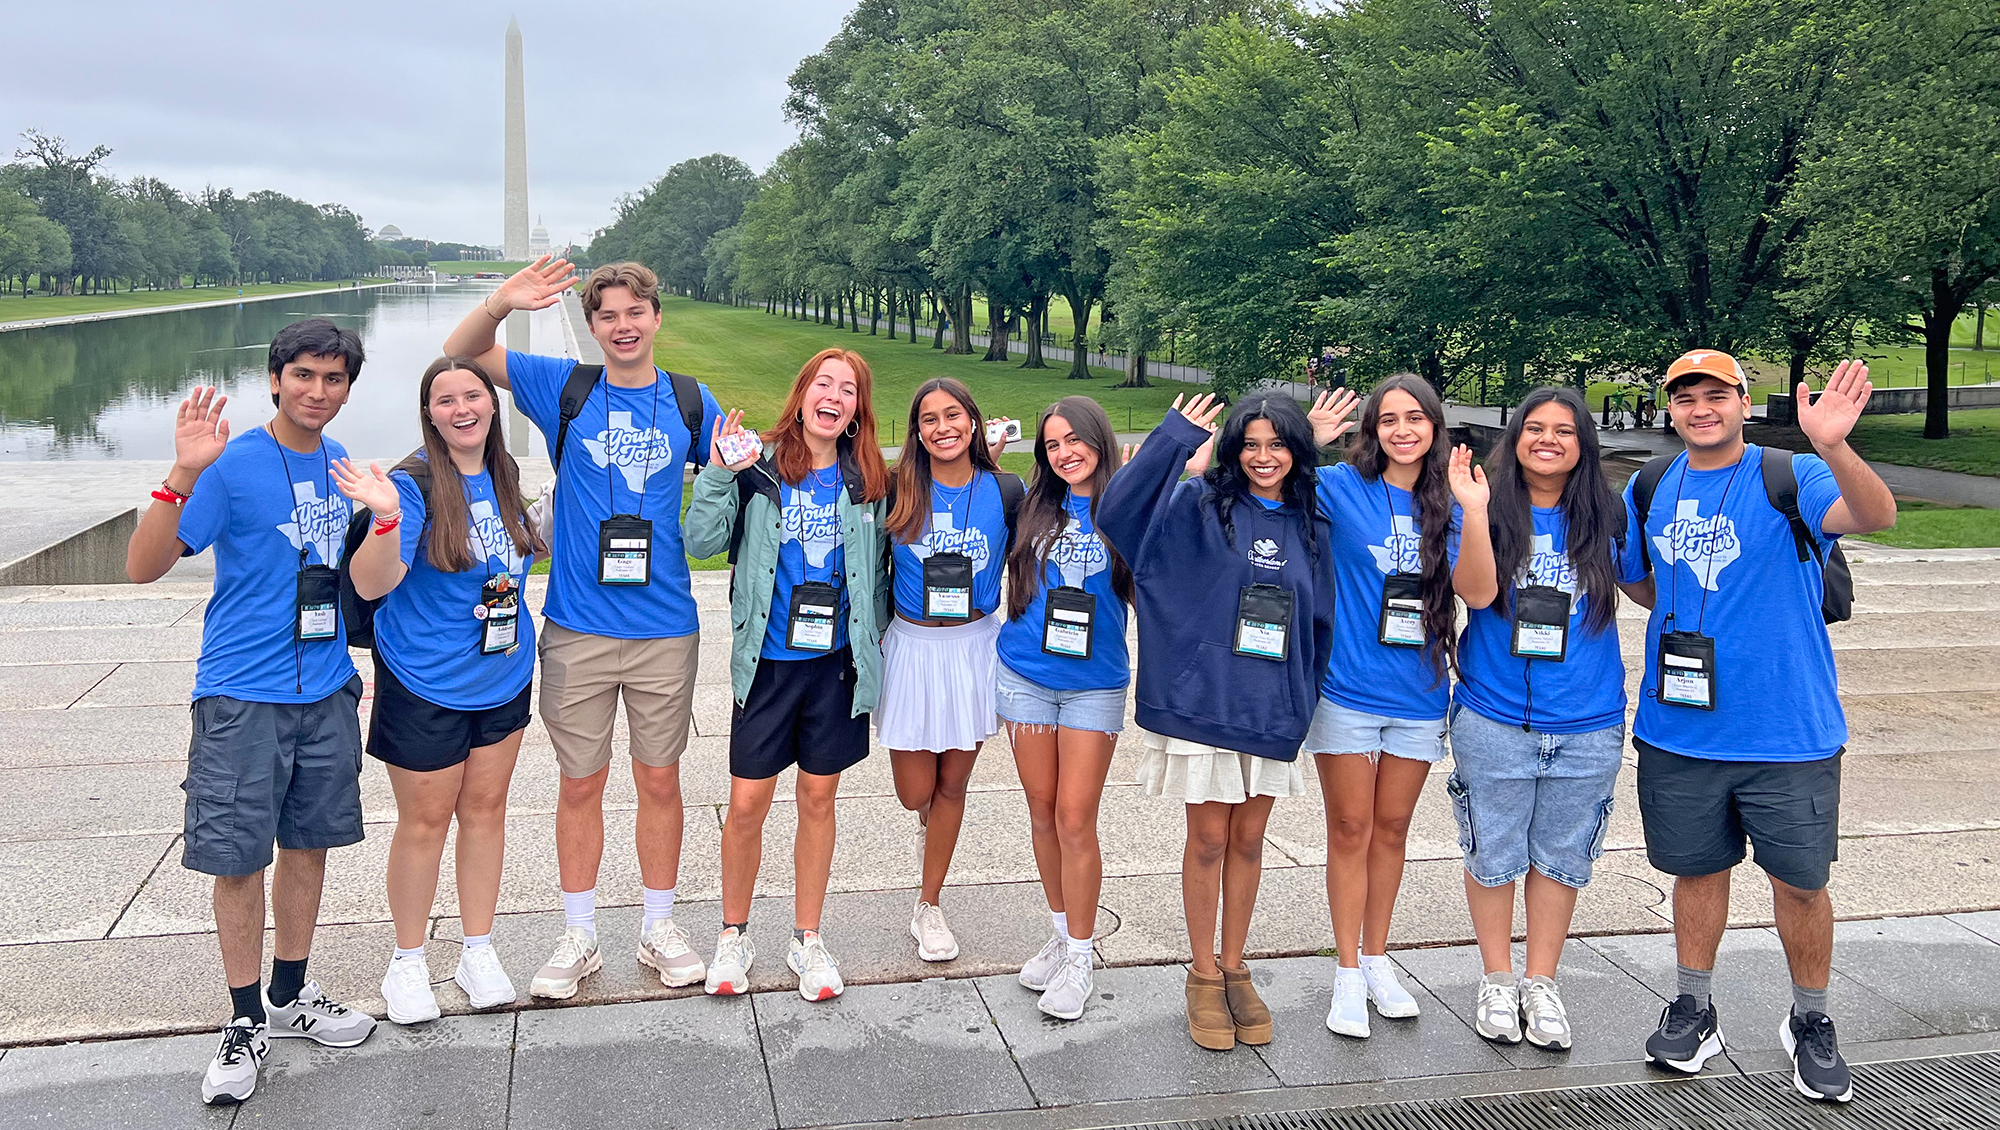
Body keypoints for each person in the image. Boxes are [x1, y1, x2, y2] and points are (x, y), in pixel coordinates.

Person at [442, 258, 722, 1000]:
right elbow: (463, 352)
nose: (623, 327)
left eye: (636, 313)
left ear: (657, 318)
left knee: (660, 780)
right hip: (576, 626)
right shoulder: (565, 387)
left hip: (664, 627)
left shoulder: (692, 401)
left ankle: (660, 926)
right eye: (608, 316)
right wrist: (501, 303)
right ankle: (580, 932)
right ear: (593, 327)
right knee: (580, 783)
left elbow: (740, 470)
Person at [1622, 352, 1894, 1104]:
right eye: (1686, 397)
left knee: (1801, 885)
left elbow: (1874, 516)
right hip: (1679, 733)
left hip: (1789, 733)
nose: (1701, 408)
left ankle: (1810, 1020)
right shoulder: (1648, 485)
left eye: (1717, 395)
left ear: (1744, 403)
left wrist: (1835, 444)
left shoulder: (1791, 475)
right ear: (1669, 410)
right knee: (1696, 872)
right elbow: (1638, 577)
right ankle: (1694, 1008)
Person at [124, 320, 380, 1106]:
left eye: (334, 380)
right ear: (275, 379)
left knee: (309, 847)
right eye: (303, 375)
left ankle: (289, 995)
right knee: (239, 858)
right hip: (242, 693)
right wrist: (179, 474)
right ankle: (241, 1019)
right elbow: (143, 568)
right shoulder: (231, 466)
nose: (318, 392)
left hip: (327, 689)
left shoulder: (342, 466)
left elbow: (360, 581)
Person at [1100, 391, 1346, 1051]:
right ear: (1235, 449)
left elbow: (1318, 623)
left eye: (1278, 443)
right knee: (1209, 839)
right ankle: (1202, 973)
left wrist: (1302, 702)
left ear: (1296, 450)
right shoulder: (1199, 507)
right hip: (1204, 704)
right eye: (1251, 444)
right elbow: (1119, 513)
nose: (1264, 457)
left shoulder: (1314, 523)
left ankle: (1236, 966)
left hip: (1270, 707)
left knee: (1248, 842)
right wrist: (1175, 440)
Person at [331, 357, 539, 1025]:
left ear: (491, 403)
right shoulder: (414, 483)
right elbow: (372, 584)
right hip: (426, 682)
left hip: (502, 674)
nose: (461, 407)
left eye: (472, 394)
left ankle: (477, 949)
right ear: (429, 413)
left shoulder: (503, 475)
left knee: (485, 814)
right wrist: (386, 519)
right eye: (444, 399)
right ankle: (408, 961)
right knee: (424, 824)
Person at [683, 349, 892, 1001]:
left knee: (818, 799)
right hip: (768, 668)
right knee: (747, 802)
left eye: (849, 389)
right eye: (824, 384)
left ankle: (807, 939)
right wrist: (719, 472)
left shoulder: (867, 481)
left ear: (858, 409)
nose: (835, 396)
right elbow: (700, 539)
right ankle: (732, 935)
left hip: (835, 670)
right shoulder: (758, 468)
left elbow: (885, 567)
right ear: (802, 395)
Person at [1447, 387, 1650, 1050]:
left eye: (1564, 431)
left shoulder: (1607, 515)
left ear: (1582, 444)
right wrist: (1475, 513)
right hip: (1495, 713)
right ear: (1516, 436)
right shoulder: (1482, 502)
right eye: (1535, 428)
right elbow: (1474, 593)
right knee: (1492, 853)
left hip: (1587, 719)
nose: (1548, 440)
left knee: (1562, 859)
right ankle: (1497, 978)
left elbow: (1646, 586)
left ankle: (1542, 980)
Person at [1304, 375, 1462, 1039]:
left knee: (1392, 830)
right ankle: (1344, 972)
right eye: (1389, 419)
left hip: (1420, 694)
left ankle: (1377, 959)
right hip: (1346, 690)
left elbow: (1477, 586)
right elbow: (1269, 494)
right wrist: (1307, 442)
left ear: (1433, 426)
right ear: (1371, 429)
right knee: (1350, 829)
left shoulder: (1452, 503)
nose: (1402, 430)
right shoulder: (1341, 486)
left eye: (1415, 418)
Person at [996, 396, 1134, 1021]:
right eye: (1052, 444)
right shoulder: (1030, 506)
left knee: (1078, 818)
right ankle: (1060, 933)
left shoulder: (1125, 506)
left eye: (1075, 439)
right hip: (1025, 675)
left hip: (1094, 686)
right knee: (1044, 812)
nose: (1065, 452)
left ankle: (1082, 954)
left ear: (1099, 441)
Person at [880, 379, 1024, 962]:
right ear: (917, 431)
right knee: (916, 791)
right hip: (912, 649)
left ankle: (929, 904)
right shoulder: (895, 487)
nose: (943, 427)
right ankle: (928, 825)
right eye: (930, 419)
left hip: (973, 648)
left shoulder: (1005, 489)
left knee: (953, 787)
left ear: (973, 421)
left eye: (954, 415)